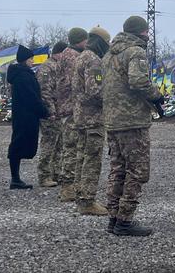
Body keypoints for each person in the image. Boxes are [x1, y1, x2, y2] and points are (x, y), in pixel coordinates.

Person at [102, 16, 164, 236]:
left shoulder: (109, 54)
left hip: (113, 121)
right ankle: (125, 221)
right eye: (147, 31)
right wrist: (157, 96)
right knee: (137, 171)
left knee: (117, 170)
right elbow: (137, 81)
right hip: (132, 121)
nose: (148, 35)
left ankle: (113, 218)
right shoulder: (135, 51)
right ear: (141, 32)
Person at [72, 27, 111, 216]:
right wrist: (112, 98)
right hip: (93, 118)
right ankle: (87, 201)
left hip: (80, 117)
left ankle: (80, 195)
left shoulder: (81, 57)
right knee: (92, 160)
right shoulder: (93, 60)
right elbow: (95, 91)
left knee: (81, 157)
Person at [7, 45, 49, 189]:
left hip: (22, 115)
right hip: (26, 116)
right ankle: (15, 179)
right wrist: (44, 111)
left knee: (18, 144)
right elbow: (31, 97)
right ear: (25, 60)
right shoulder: (23, 76)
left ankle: (16, 178)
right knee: (18, 145)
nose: (32, 61)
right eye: (31, 59)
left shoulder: (21, 74)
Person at [57, 27, 88, 202]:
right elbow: (76, 84)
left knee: (71, 147)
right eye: (85, 40)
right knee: (71, 148)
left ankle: (70, 185)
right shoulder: (73, 58)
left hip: (68, 107)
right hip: (72, 109)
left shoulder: (65, 55)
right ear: (79, 40)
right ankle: (68, 188)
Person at [36, 41, 67, 187]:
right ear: (59, 52)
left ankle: (56, 173)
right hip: (50, 113)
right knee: (49, 144)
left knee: (59, 144)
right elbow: (45, 93)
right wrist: (51, 111)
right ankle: (44, 176)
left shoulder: (57, 66)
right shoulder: (47, 68)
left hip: (58, 112)